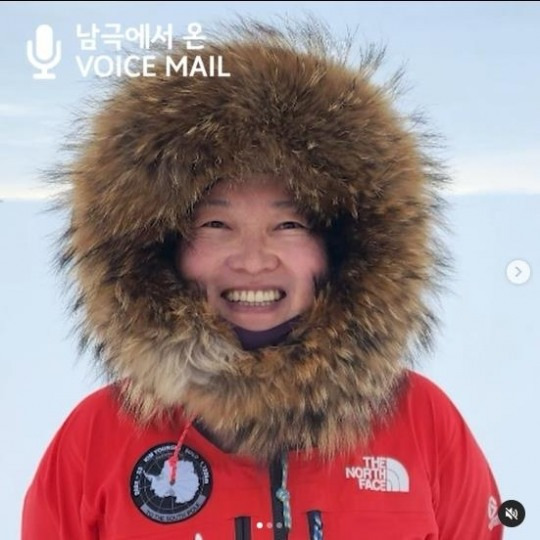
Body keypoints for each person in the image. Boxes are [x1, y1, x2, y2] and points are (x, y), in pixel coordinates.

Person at [22, 19, 503, 539]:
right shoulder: (97, 438)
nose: (253, 261)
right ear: (161, 250)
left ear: (340, 250)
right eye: (216, 225)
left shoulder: (422, 422)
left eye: (289, 224)